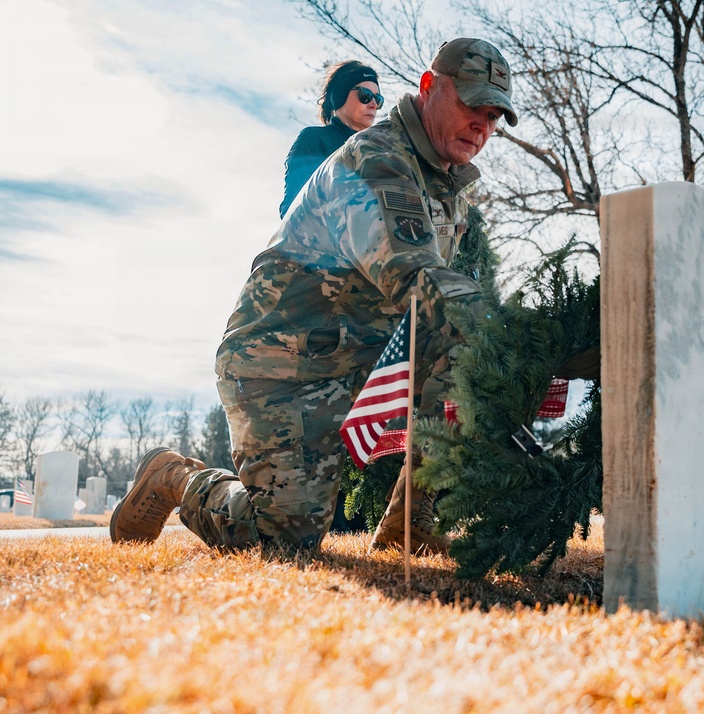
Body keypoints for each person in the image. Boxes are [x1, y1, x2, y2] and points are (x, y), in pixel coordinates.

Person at [110, 38, 518, 556]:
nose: (483, 126)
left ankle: (408, 529)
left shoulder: (443, 184)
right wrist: (522, 333)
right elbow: (416, 276)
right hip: (282, 366)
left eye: (494, 116)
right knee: (279, 540)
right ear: (429, 87)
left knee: (461, 353)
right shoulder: (379, 160)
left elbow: (435, 314)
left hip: (361, 359)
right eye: (471, 106)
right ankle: (174, 477)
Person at [279, 60, 382, 218]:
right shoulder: (314, 139)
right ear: (339, 96)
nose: (373, 104)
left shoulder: (383, 149)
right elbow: (293, 208)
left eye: (378, 98)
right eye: (365, 95)